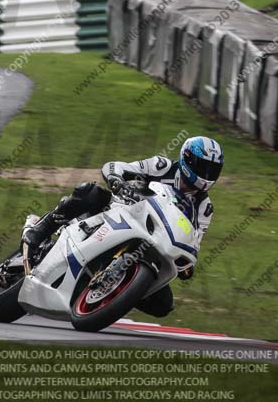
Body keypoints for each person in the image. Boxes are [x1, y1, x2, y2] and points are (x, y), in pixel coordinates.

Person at [24, 136, 223, 317]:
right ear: (187, 159)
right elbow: (114, 166)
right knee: (90, 192)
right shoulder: (162, 166)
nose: (206, 174)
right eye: (202, 166)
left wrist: (187, 266)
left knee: (163, 305)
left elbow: (194, 241)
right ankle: (42, 227)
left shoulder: (205, 208)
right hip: (122, 211)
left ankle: (117, 292)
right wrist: (117, 180)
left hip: (155, 242)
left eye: (212, 170)